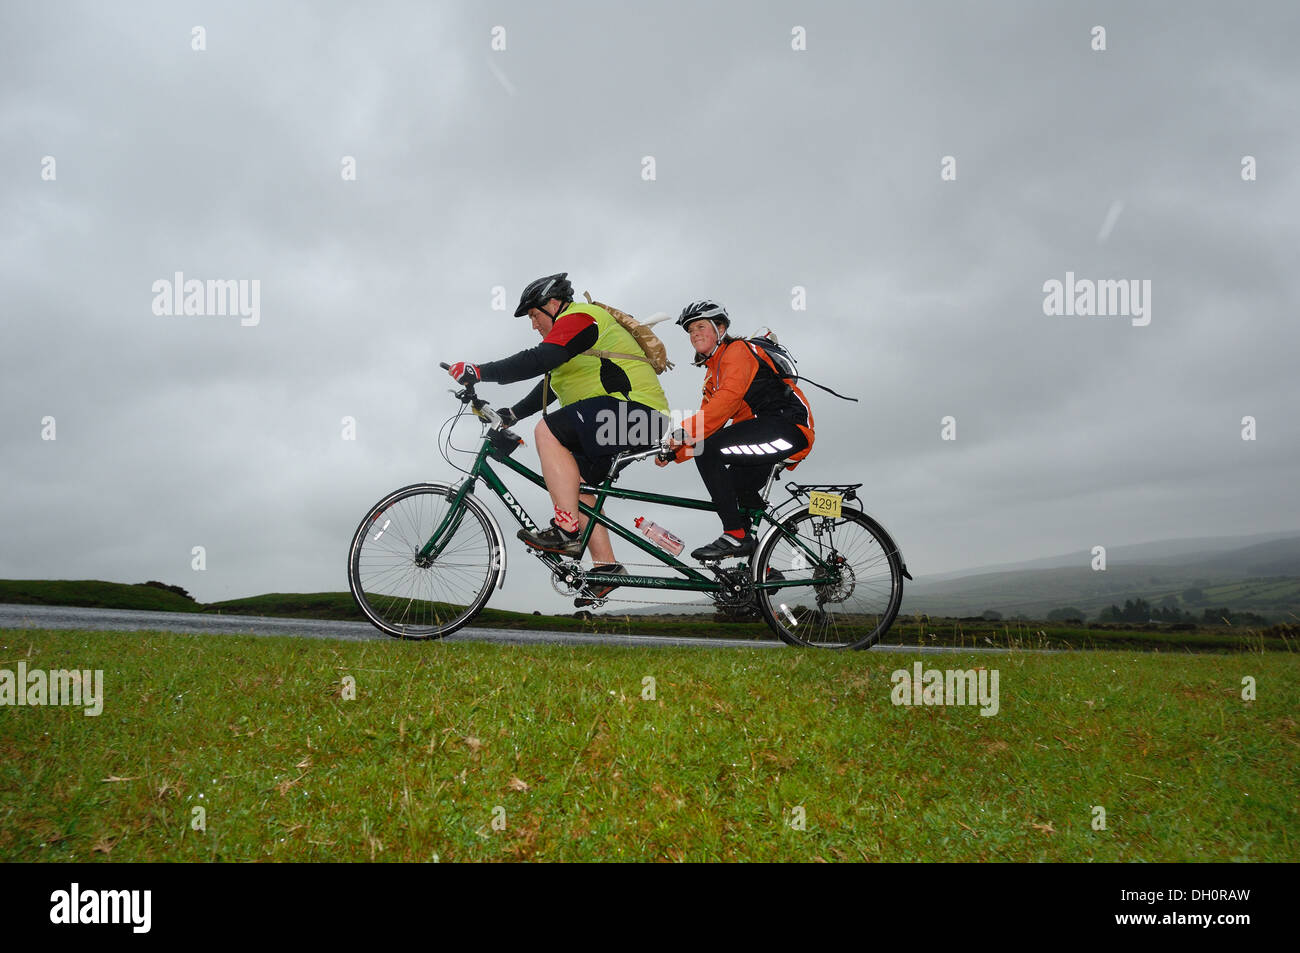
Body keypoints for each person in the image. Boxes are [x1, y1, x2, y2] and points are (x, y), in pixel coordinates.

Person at [446, 272, 671, 600]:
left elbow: (539, 359)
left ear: (553, 304)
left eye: (535, 316)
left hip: (638, 415)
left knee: (547, 431)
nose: (533, 325)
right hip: (626, 418)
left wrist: (480, 371)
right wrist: (512, 414)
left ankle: (566, 530)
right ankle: (606, 567)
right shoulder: (573, 344)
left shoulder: (581, 317)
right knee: (575, 484)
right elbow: (550, 385)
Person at [656, 300, 815, 560]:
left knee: (709, 453)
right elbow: (709, 423)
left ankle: (735, 535)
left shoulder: (738, 351)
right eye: (690, 331)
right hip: (765, 432)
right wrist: (675, 453)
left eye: (700, 326)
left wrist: (683, 433)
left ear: (720, 328)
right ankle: (760, 568)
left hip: (789, 428)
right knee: (733, 489)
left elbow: (726, 401)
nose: (694, 333)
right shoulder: (712, 376)